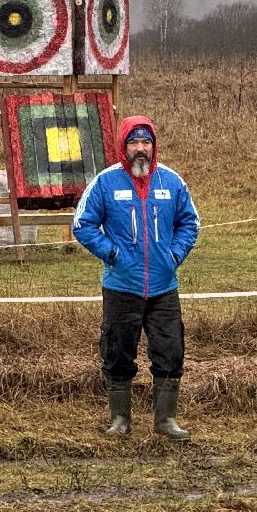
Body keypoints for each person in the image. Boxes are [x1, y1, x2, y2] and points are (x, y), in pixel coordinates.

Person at [72, 115, 200, 441]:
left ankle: (165, 421)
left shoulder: (171, 183)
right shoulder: (105, 183)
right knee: (117, 351)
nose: (140, 149)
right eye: (134, 143)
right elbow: (82, 225)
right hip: (121, 285)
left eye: (146, 142)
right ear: (123, 146)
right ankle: (120, 420)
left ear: (154, 146)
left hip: (163, 287)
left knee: (170, 351)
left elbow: (190, 223)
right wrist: (112, 253)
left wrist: (173, 256)